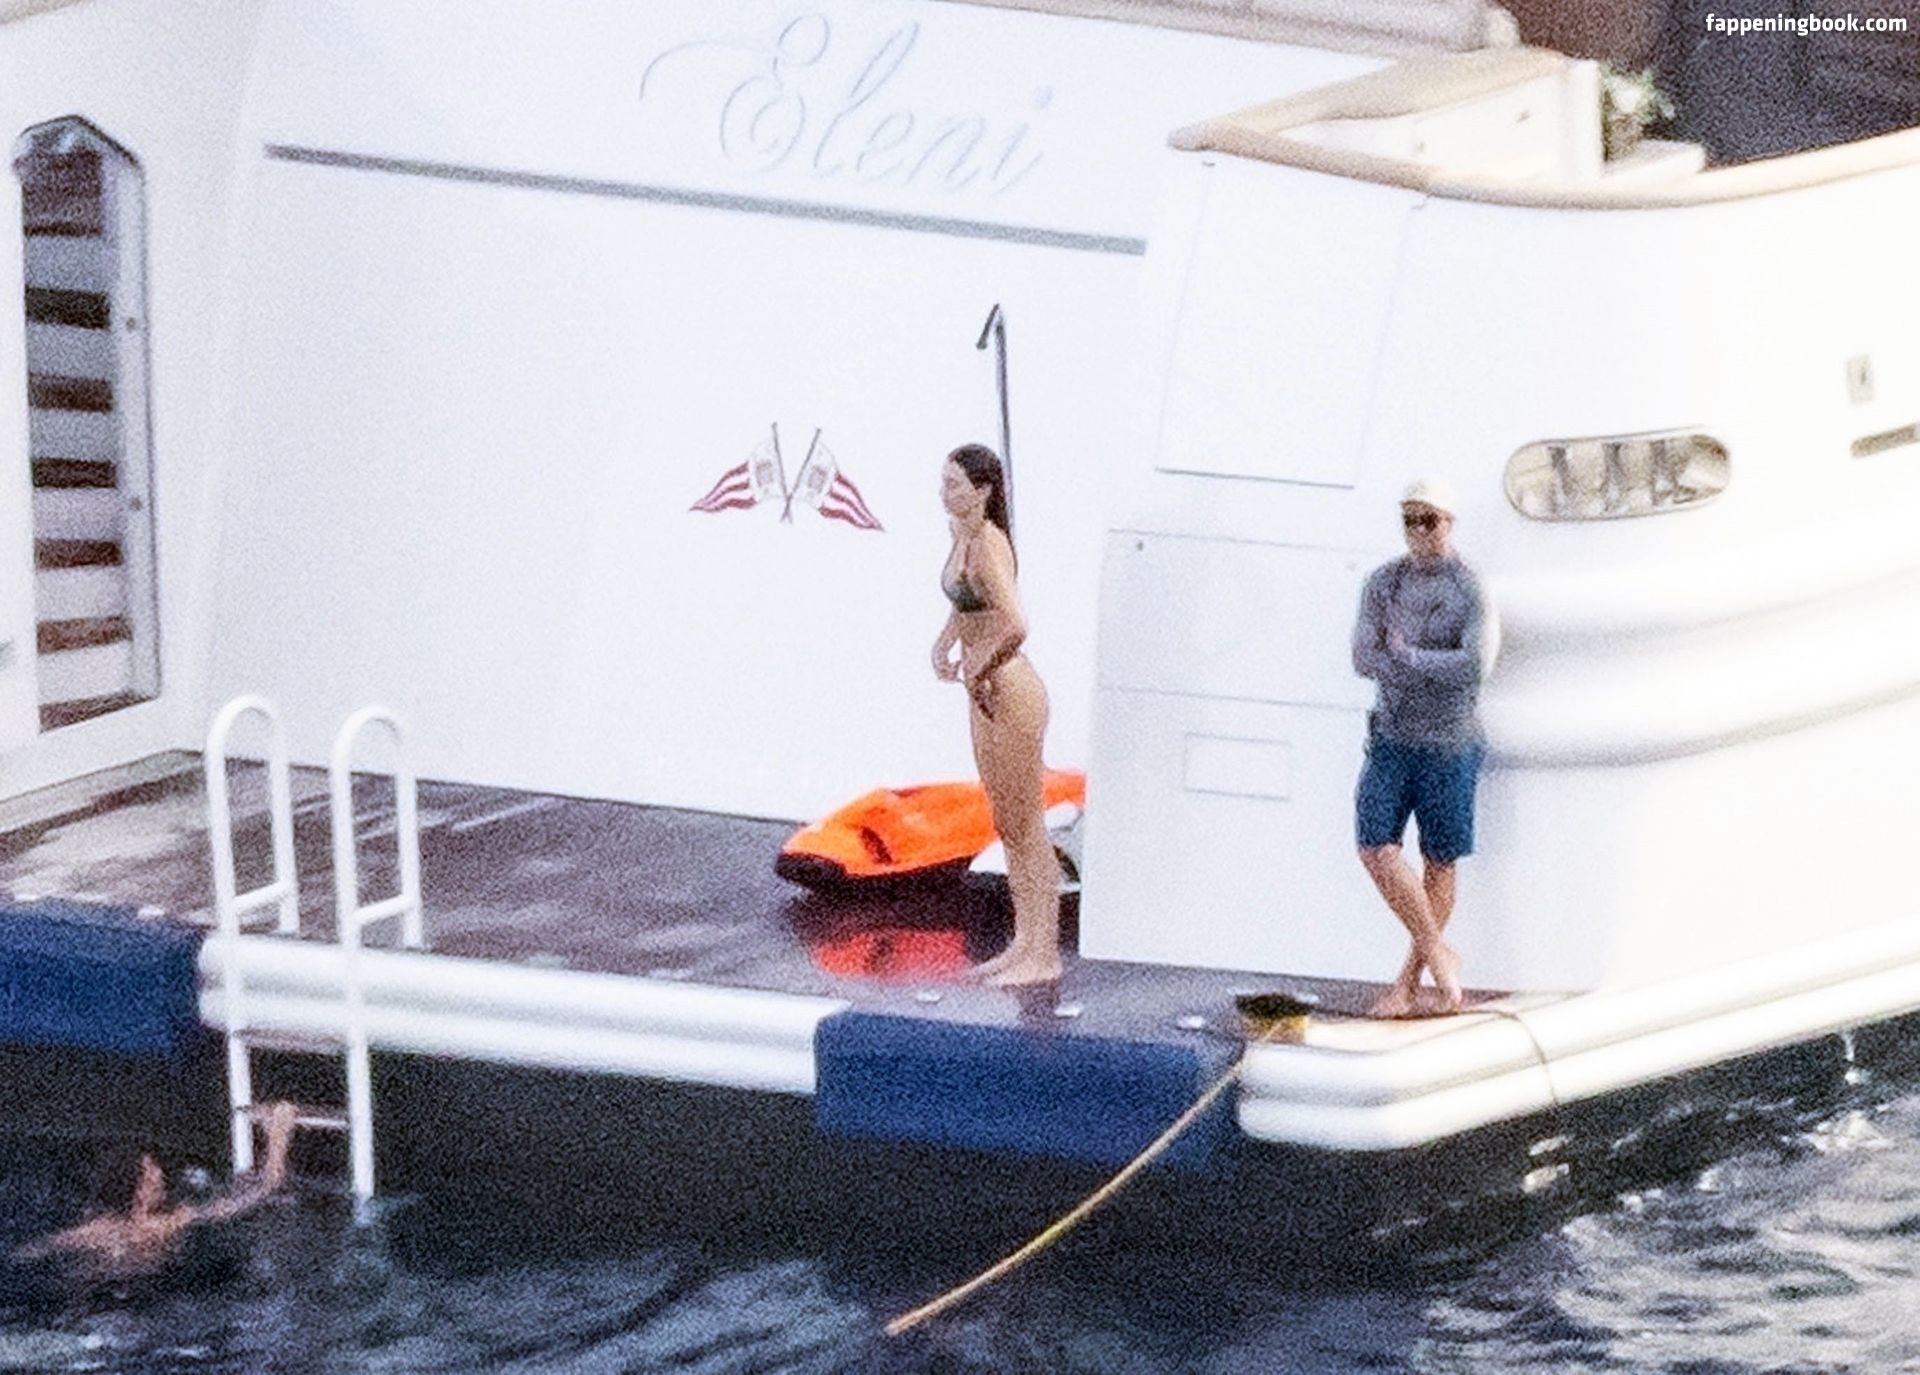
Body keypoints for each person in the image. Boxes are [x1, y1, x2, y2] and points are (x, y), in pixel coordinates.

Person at [1351, 478, 1489, 1017]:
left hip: (1450, 742)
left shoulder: (1468, 588)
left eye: (1428, 520)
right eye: (1409, 520)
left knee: (1439, 860)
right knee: (1375, 845)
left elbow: (1474, 664)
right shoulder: (1383, 582)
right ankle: (1438, 950)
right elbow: (1363, 656)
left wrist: (1409, 658)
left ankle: (1408, 983)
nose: (1418, 532)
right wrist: (1421, 664)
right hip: (1393, 735)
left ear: (1448, 523)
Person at [932, 444, 1063, 987]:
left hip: (1009, 688)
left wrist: (981, 664)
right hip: (983, 688)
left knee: (1027, 824)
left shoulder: (988, 542)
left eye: (955, 484)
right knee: (1007, 822)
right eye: (943, 483)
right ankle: (1023, 941)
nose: (944, 493)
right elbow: (966, 603)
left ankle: (1044, 951)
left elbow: (1014, 622)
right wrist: (944, 644)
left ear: (982, 490)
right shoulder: (962, 538)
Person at [11, 1101, 299, 1285]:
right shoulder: (166, 1225)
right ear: (138, 1192)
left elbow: (30, 1252)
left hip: (104, 1292)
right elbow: (263, 1190)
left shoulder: (96, 1230)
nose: (160, 1174)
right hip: (150, 1293)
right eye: (150, 1173)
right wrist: (278, 1136)